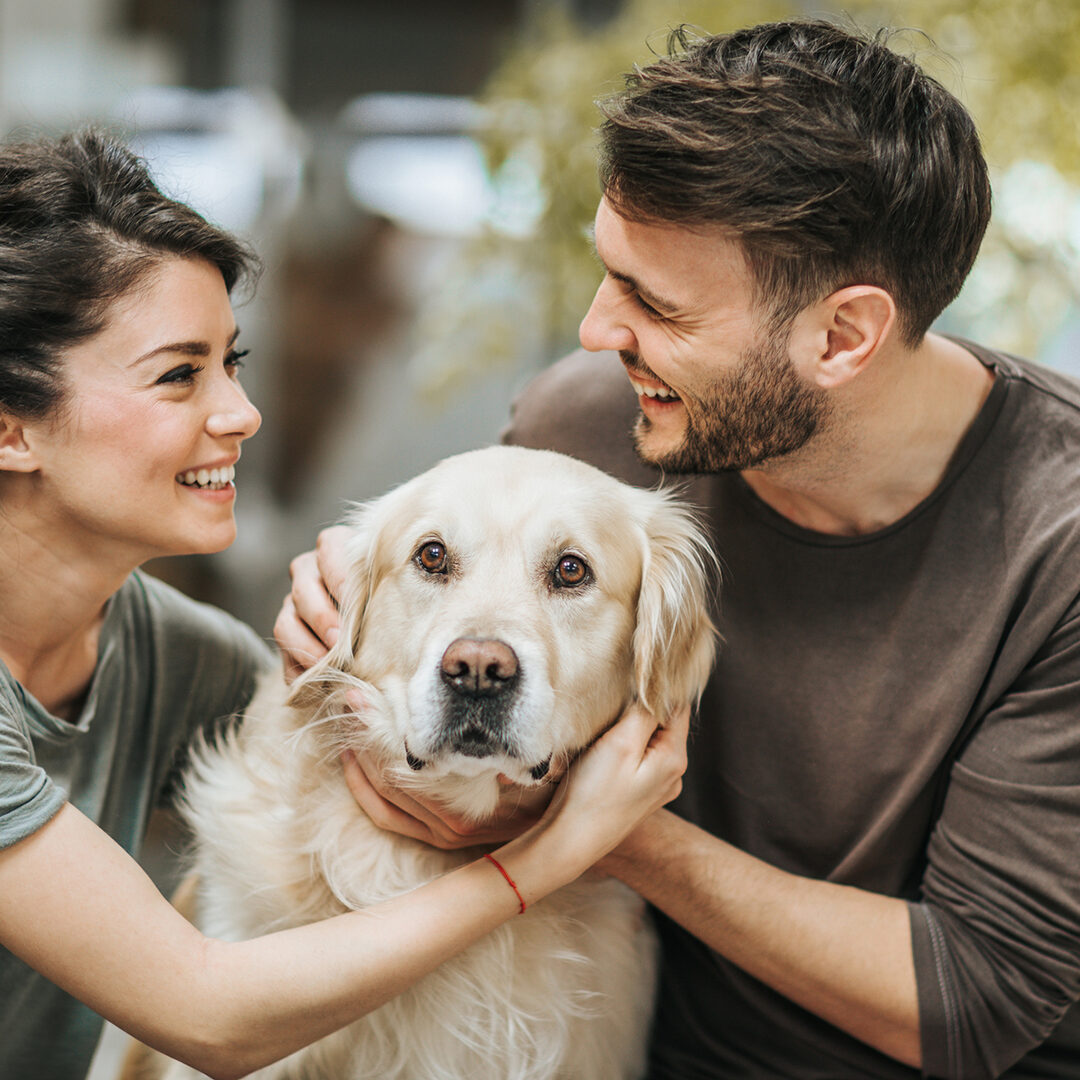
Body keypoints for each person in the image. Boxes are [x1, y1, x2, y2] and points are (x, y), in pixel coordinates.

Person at [279, 20, 1080, 1079]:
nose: (597, 330)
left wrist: (610, 830)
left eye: (656, 303)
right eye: (614, 272)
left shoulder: (1057, 545)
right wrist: (344, 627)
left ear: (843, 337)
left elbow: (971, 1001)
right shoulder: (589, 430)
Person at [0, 129, 689, 1080]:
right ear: (11, 430)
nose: (240, 413)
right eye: (177, 375)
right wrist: (552, 857)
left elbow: (311, 764)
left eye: (230, 363)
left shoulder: (175, 654)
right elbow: (208, 1013)